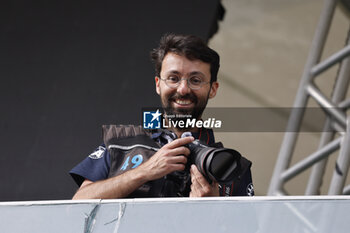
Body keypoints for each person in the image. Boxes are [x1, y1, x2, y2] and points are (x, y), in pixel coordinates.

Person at [70, 33, 253, 199]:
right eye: (173, 78)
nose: (183, 89)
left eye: (195, 80)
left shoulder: (233, 166)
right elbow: (78, 203)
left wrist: (214, 211)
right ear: (158, 84)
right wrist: (144, 172)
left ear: (212, 89)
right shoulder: (120, 143)